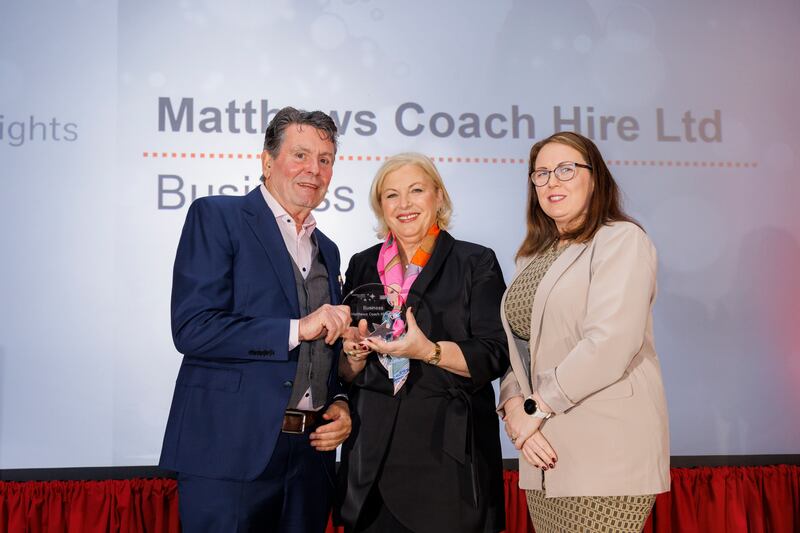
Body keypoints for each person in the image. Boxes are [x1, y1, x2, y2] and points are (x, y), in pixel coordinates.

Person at [159, 107, 354, 532]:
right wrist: (296, 328)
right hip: (228, 453)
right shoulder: (217, 217)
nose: (314, 170)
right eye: (300, 155)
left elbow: (325, 352)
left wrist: (339, 401)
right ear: (267, 162)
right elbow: (193, 327)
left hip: (309, 458)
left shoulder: (331, 250)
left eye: (325, 160)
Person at [497, 131, 670, 533]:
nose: (551, 181)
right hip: (543, 454)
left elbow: (610, 344)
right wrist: (512, 409)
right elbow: (519, 352)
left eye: (565, 169)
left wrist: (534, 409)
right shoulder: (533, 257)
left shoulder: (622, 240)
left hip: (604, 452)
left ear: (596, 178)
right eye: (540, 174)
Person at [336, 153, 509, 533]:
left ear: (439, 197)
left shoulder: (475, 262)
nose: (405, 204)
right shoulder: (362, 265)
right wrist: (352, 355)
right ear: (380, 207)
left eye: (416, 190)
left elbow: (495, 354)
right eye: (391, 195)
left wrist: (427, 351)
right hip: (372, 464)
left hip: (448, 464)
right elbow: (345, 372)